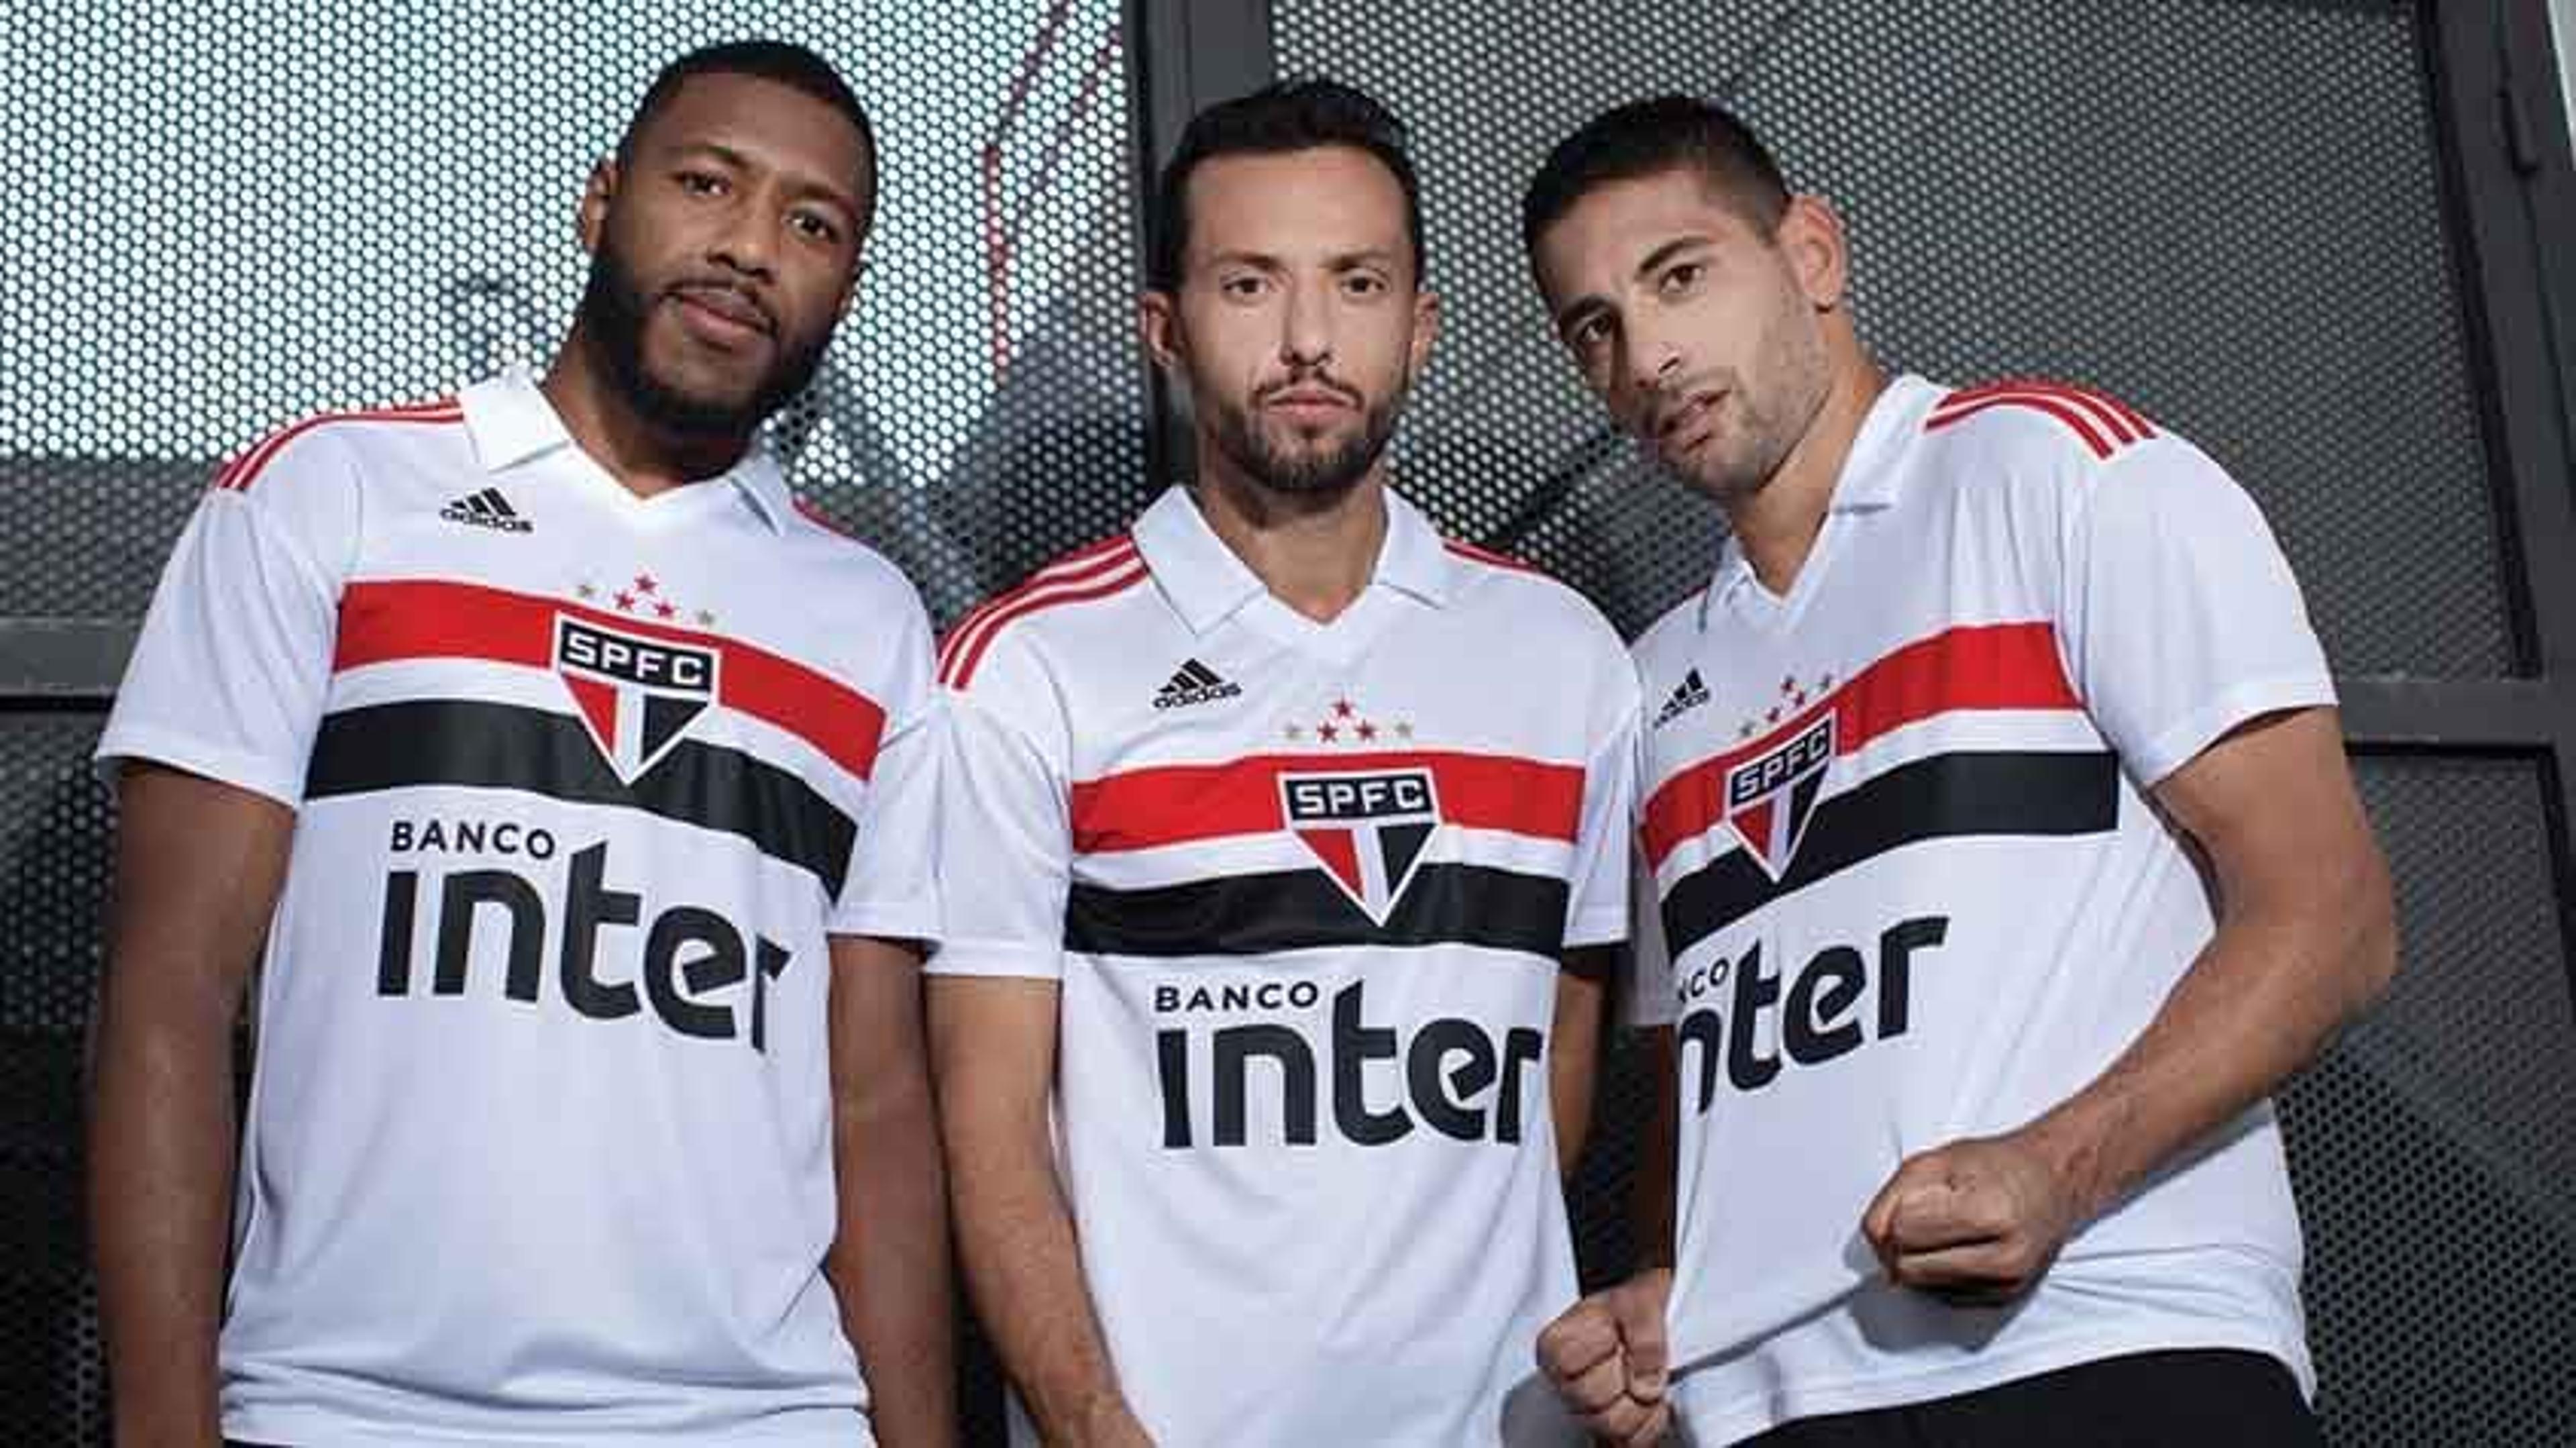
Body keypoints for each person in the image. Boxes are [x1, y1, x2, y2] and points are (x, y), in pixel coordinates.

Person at [87, 40, 955, 1448]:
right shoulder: (330, 494)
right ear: (601, 203)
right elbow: (169, 992)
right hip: (344, 1412)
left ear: (843, 288)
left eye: (814, 224)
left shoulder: (871, 620)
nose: (749, 247)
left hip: (762, 1419)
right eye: (708, 183)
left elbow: (873, 1099)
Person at [1520, 97, 2396, 1446]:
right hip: (1770, 1407)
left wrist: (2059, 1167)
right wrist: (1662, 1296)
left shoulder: (2061, 476)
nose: (1649, 355)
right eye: (1594, 329)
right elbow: (1706, 1087)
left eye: (1679, 275)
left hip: (2105, 1338)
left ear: (1812, 252)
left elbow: (2333, 917)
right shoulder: (1649, 689)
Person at [928, 81, 1639, 1447]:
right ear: (1166, 331)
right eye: (1250, 284)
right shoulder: (1025, 669)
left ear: (1421, 326)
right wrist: (1090, 1423)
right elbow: (990, 1131)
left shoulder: (1567, 661)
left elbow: (1553, 1074)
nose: (1310, 339)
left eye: (1357, 282)